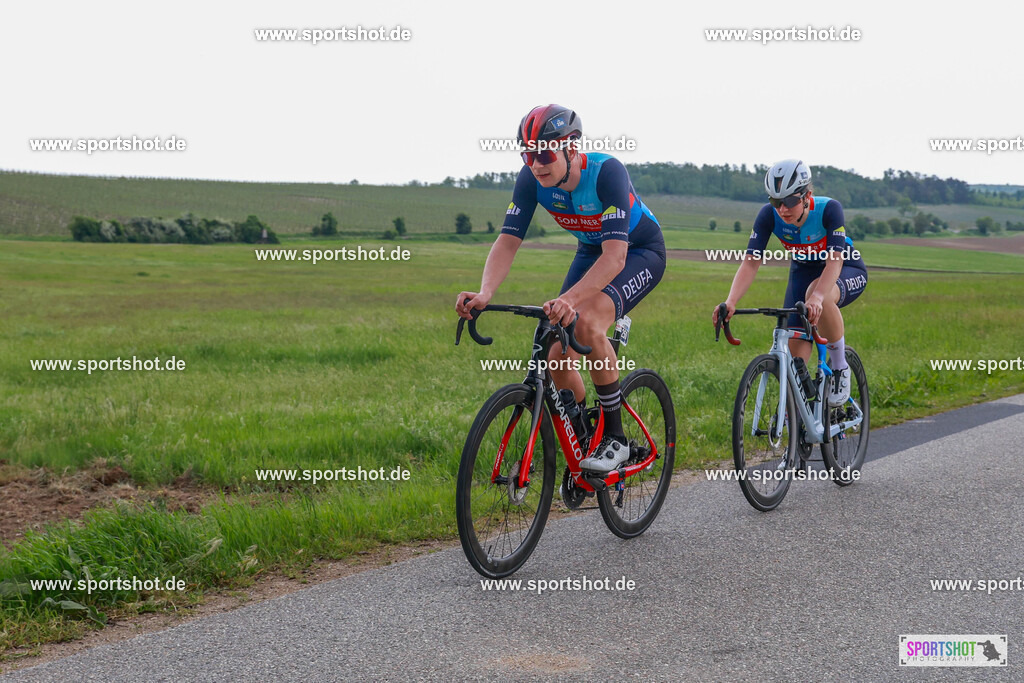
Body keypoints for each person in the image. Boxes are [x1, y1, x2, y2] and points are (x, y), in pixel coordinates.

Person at [456, 104, 666, 472]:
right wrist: (485, 292)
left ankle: (615, 439)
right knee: (556, 353)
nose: (535, 164)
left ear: (571, 147)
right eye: (527, 154)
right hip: (591, 250)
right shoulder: (531, 179)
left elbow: (615, 258)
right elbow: (508, 241)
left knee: (586, 324)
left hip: (638, 251)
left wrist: (570, 299)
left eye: (543, 153)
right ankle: (586, 438)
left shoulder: (607, 173)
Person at [712, 159, 867, 405]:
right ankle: (798, 419)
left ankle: (839, 368)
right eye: (776, 201)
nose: (783, 209)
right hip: (803, 272)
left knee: (818, 295)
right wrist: (731, 301)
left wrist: (816, 297)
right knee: (795, 361)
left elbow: (835, 262)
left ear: (808, 196)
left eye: (791, 201)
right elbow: (751, 262)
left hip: (844, 268)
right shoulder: (768, 216)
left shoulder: (829, 209)